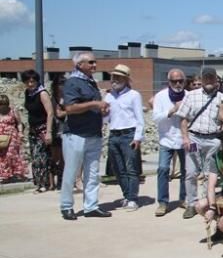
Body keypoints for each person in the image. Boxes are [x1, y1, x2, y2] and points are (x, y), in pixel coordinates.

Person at [59, 51, 110, 219]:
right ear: (79, 64)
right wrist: (95, 103)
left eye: (95, 62)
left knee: (93, 172)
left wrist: (101, 109)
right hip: (76, 134)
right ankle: (66, 206)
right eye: (91, 62)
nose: (94, 65)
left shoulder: (91, 83)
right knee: (71, 171)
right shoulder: (73, 83)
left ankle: (91, 206)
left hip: (93, 134)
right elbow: (70, 108)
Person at [178, 68, 223, 219]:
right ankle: (191, 203)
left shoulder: (222, 98)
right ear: (202, 79)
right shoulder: (191, 96)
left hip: (213, 140)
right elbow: (183, 118)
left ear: (216, 80)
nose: (209, 81)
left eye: (212, 78)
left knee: (208, 173)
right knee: (191, 172)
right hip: (194, 139)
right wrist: (185, 138)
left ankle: (204, 202)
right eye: (207, 78)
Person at [103, 65, 145, 211]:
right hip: (114, 134)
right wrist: (103, 112)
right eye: (113, 77)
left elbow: (140, 118)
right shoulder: (109, 96)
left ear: (126, 80)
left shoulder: (134, 95)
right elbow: (106, 118)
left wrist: (138, 137)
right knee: (118, 169)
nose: (114, 80)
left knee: (131, 168)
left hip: (129, 134)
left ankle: (133, 198)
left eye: (118, 77)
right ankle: (127, 195)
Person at [151, 69, 188, 216]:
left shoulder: (189, 96)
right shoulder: (160, 96)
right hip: (166, 138)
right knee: (163, 169)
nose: (178, 84)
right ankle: (162, 202)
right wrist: (172, 110)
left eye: (180, 81)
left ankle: (184, 198)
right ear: (169, 82)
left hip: (185, 139)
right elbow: (155, 118)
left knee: (187, 171)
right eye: (174, 81)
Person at [20, 69, 54, 192]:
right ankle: (39, 183)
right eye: (27, 81)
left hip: (43, 129)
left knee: (42, 157)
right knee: (35, 157)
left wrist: (49, 131)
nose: (30, 84)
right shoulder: (27, 94)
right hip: (33, 129)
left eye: (32, 81)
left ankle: (45, 184)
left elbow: (50, 113)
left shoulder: (42, 93)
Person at [0, 95, 28, 183]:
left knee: (11, 155)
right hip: (1, 136)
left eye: (5, 104)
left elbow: (19, 123)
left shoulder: (13, 111)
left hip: (12, 135)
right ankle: (5, 175)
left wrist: (20, 132)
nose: (3, 106)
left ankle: (15, 174)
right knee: (2, 156)